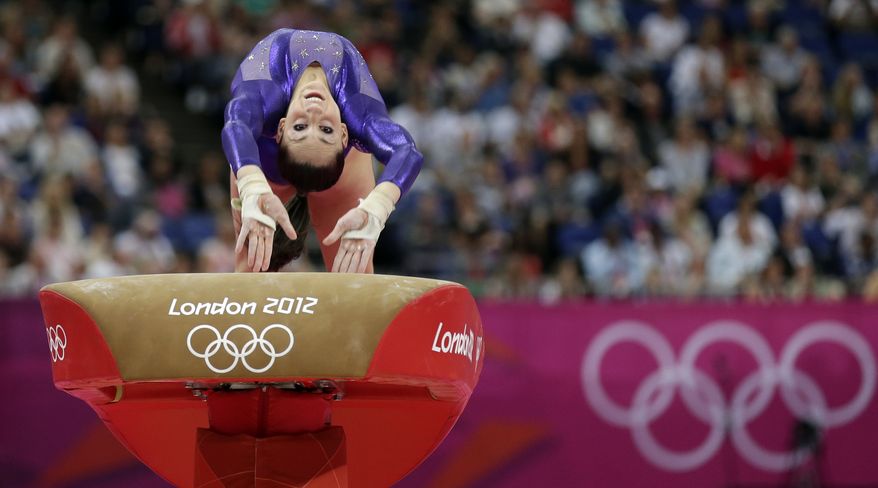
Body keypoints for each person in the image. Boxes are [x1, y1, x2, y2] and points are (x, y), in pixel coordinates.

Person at [222, 28, 423, 273]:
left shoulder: (263, 92)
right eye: (326, 130)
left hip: (283, 173)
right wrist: (378, 206)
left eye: (300, 127)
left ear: (283, 129)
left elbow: (237, 123)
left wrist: (251, 184)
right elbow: (406, 151)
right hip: (264, 174)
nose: (313, 113)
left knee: (353, 283)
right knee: (250, 271)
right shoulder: (361, 115)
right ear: (343, 133)